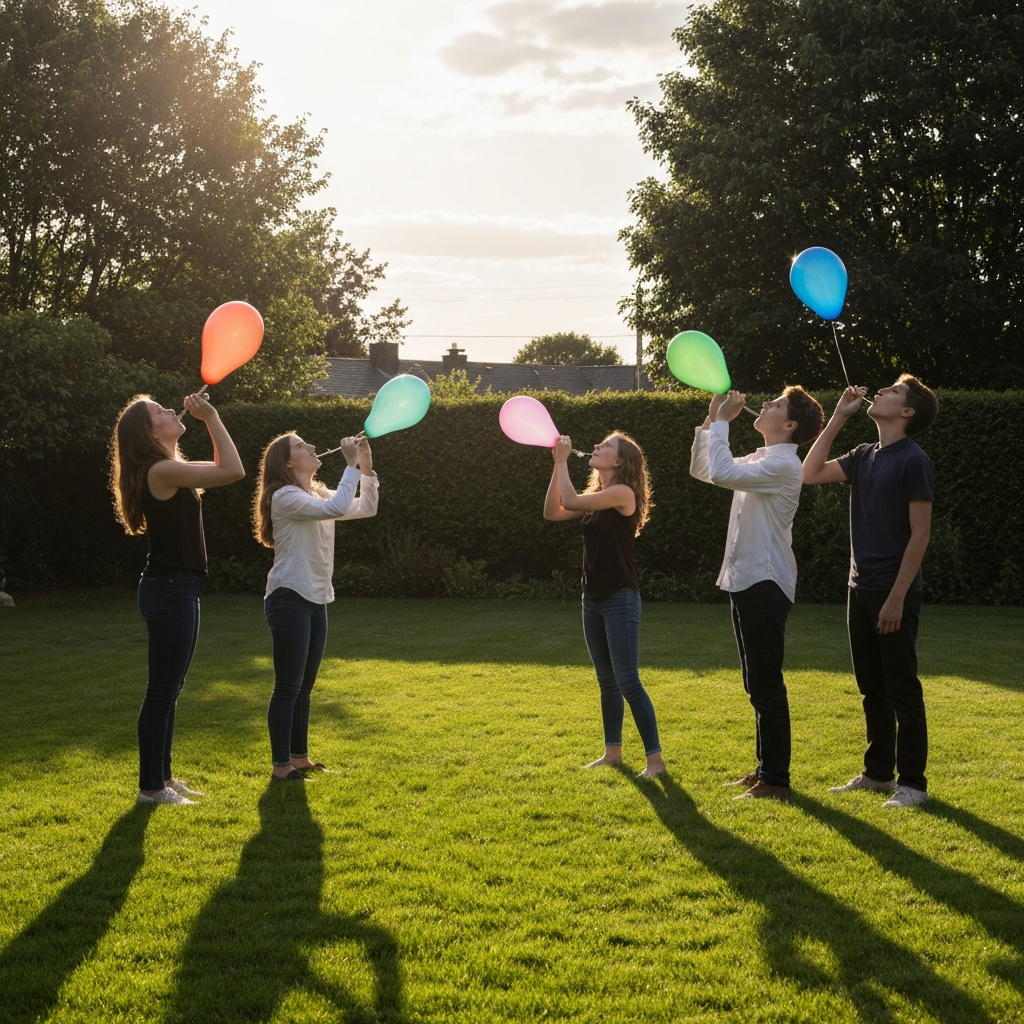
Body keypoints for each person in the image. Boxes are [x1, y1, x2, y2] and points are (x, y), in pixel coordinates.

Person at [802, 375, 938, 808]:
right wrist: (839, 417)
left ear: (907, 412)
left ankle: (913, 783)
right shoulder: (863, 456)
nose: (881, 392)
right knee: (871, 688)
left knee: (901, 687)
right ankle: (878, 774)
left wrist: (898, 595)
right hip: (858, 587)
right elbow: (810, 474)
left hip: (892, 590)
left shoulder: (914, 461)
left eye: (893, 392)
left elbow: (920, 535)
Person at [110, 392, 245, 806]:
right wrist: (212, 417)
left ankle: (163, 777)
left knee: (169, 688)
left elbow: (223, 469)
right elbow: (234, 470)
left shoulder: (167, 468)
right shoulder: (162, 470)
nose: (170, 409)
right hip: (169, 591)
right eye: (159, 411)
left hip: (177, 589)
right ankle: (151, 788)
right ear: (150, 432)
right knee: (162, 691)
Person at [690, 386, 825, 801]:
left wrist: (725, 424)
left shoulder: (785, 465)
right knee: (756, 683)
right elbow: (706, 470)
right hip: (748, 579)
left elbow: (724, 472)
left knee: (766, 684)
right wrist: (712, 420)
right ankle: (766, 770)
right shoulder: (765, 458)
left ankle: (776, 781)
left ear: (789, 425)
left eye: (777, 404)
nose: (765, 404)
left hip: (765, 583)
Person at [253, 432, 378, 781]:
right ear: (288, 463)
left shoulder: (316, 493)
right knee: (288, 686)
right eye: (300, 446)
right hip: (289, 597)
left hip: (316, 598)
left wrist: (365, 466)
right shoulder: (285, 496)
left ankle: (300, 759)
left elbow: (365, 507)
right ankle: (281, 767)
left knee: (304, 686)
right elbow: (338, 506)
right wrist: (350, 463)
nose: (310, 447)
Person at [543, 431, 665, 777]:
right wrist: (558, 465)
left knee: (628, 679)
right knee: (606, 680)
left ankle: (655, 761)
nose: (596, 448)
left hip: (620, 596)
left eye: (605, 446)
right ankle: (613, 753)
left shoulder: (621, 493)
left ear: (619, 461)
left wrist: (563, 460)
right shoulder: (598, 495)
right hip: (592, 598)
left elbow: (570, 499)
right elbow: (553, 510)